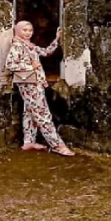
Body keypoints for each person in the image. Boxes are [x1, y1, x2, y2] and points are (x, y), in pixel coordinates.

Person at [5, 20, 75, 157]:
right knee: (43, 114)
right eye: (24, 30)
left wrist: (57, 39)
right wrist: (31, 67)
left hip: (34, 83)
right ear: (18, 31)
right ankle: (57, 145)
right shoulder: (17, 45)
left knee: (29, 112)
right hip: (29, 84)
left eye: (30, 30)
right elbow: (10, 64)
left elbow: (46, 52)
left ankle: (28, 142)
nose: (28, 33)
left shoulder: (29, 45)